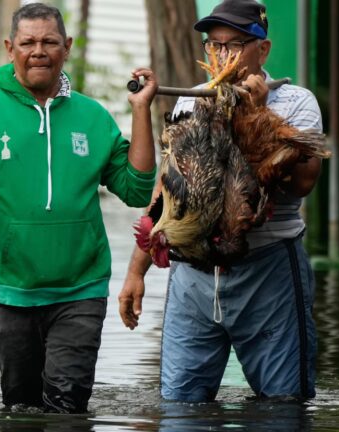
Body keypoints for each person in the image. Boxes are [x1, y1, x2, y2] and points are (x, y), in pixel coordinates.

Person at [0, 3, 158, 414]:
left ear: (67, 48)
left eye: (49, 42)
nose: (38, 50)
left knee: (67, 406)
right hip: (11, 288)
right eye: (28, 42)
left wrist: (141, 111)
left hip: (81, 286)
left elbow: (135, 188)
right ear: (10, 48)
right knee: (20, 408)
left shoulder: (92, 116)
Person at [119, 0, 323, 402]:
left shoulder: (296, 101)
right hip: (192, 273)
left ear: (261, 49)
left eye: (234, 44)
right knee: (180, 406)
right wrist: (136, 271)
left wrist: (260, 114)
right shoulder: (192, 99)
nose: (222, 54)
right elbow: (167, 190)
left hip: (268, 270)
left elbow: (303, 184)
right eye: (214, 45)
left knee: (283, 406)